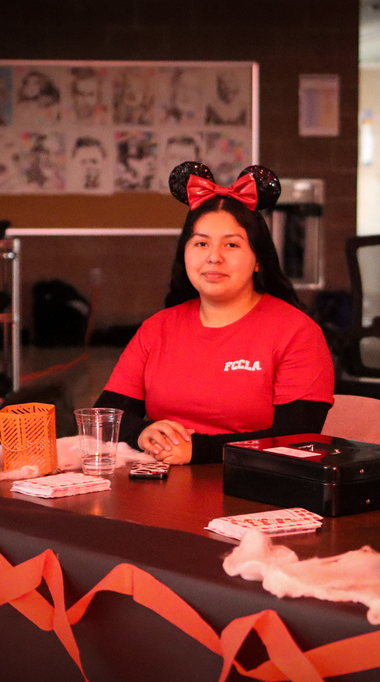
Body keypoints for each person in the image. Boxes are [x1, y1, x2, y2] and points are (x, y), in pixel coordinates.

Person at [94, 162, 335, 464]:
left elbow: (297, 437)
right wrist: (143, 432)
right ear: (185, 253)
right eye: (201, 243)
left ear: (259, 260)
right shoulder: (158, 328)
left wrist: (199, 451)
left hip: (256, 492)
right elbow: (104, 415)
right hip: (161, 487)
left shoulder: (297, 332)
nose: (213, 257)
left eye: (232, 244)